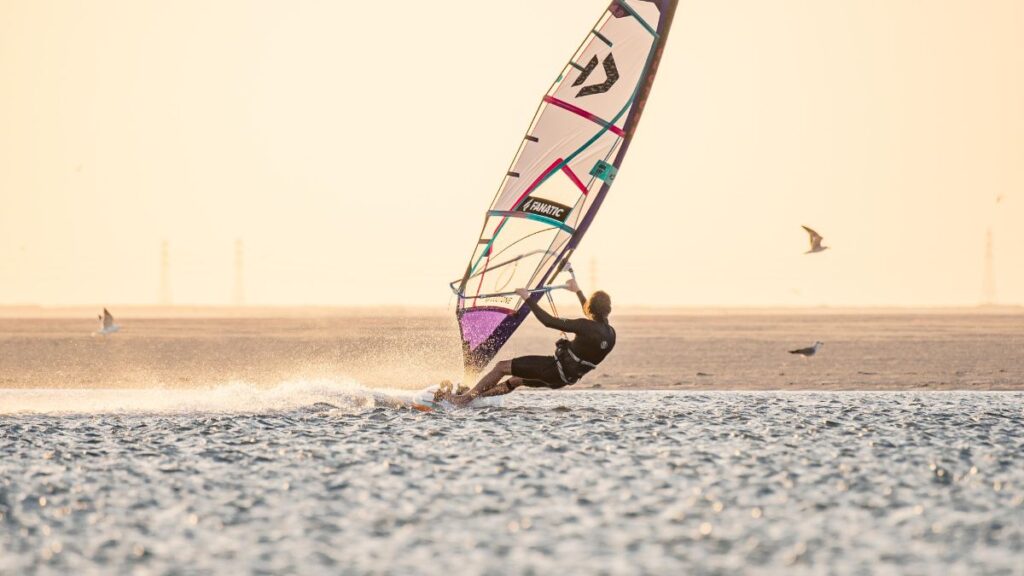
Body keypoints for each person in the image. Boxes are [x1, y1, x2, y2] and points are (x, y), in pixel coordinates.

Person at [447, 278, 615, 406]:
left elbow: (548, 321)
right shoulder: (610, 334)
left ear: (590, 309)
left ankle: (463, 399)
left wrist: (527, 298)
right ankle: (474, 396)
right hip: (563, 381)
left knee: (501, 367)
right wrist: (577, 291)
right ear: (608, 310)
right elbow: (592, 315)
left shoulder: (584, 325)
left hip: (552, 370)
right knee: (515, 380)